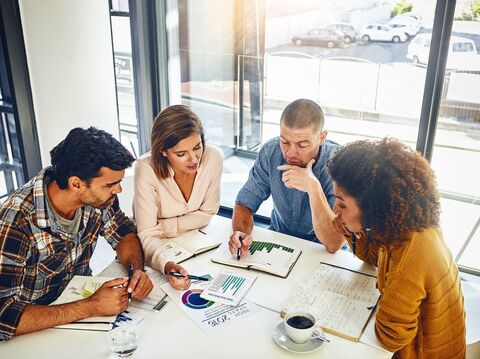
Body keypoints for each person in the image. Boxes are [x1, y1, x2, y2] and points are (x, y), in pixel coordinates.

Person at [0, 127, 154, 341]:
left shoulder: (99, 199)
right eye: (111, 184)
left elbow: (123, 234)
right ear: (76, 183)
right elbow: (3, 316)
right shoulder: (16, 221)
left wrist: (136, 271)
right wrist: (90, 307)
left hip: (80, 313)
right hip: (32, 330)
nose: (118, 190)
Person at [327, 138, 466, 358]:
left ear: (373, 207)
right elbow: (375, 258)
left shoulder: (414, 251)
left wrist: (384, 300)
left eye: (342, 204)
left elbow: (390, 337)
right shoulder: (403, 228)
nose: (335, 209)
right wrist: (351, 231)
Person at [228, 99, 345, 257]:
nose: (290, 153)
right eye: (284, 141)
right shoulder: (271, 152)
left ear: (322, 137)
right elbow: (244, 203)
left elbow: (333, 244)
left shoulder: (340, 164)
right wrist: (240, 233)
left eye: (302, 145)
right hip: (279, 241)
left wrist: (313, 187)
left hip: (322, 250)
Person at [133, 105, 223, 285]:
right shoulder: (145, 169)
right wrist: (166, 265)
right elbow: (147, 236)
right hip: (159, 251)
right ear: (163, 151)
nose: (194, 159)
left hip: (199, 245)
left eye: (197, 147)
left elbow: (207, 214)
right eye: (181, 154)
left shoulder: (213, 157)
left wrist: (162, 227)